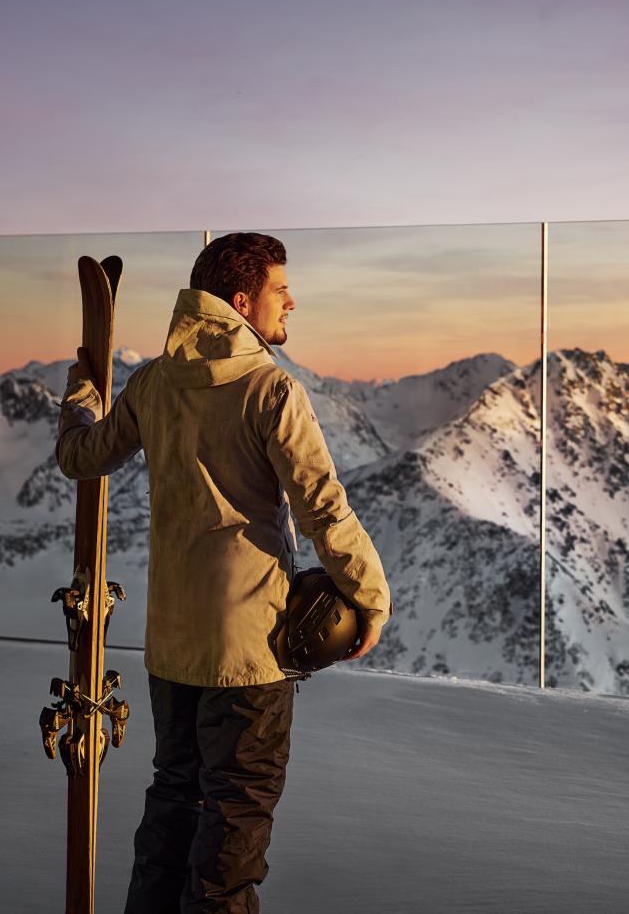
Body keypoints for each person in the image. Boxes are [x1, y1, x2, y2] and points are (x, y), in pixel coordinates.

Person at [56, 232, 391, 913]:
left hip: (173, 651)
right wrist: (370, 595)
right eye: (279, 289)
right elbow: (324, 507)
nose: (290, 300)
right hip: (251, 656)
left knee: (172, 813)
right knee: (231, 842)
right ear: (241, 301)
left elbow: (81, 456)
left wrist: (81, 396)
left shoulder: (153, 382)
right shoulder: (271, 388)